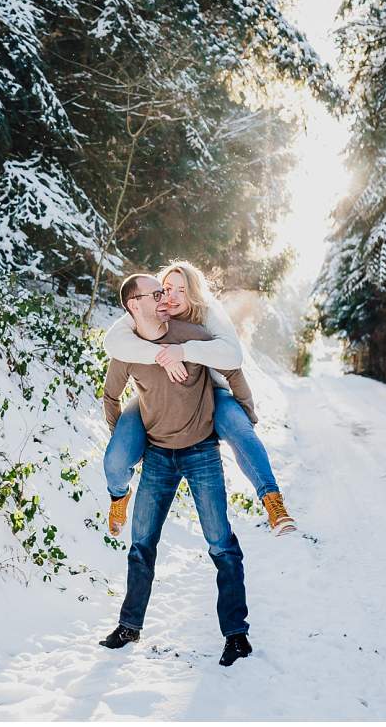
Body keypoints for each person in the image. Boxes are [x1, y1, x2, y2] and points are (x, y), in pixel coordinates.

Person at [97, 273, 253, 667]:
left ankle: (236, 635)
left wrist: (245, 412)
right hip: (158, 458)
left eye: (166, 290)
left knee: (222, 545)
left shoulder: (190, 333)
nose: (165, 296)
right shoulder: (128, 348)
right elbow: (110, 395)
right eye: (156, 293)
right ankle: (129, 626)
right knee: (141, 545)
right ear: (135, 305)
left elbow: (232, 368)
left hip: (201, 451)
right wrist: (126, 437)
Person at [103, 259, 296, 537]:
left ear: (194, 292)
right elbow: (113, 342)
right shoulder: (146, 308)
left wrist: (183, 352)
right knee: (117, 456)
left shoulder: (207, 315)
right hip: (154, 398)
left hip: (211, 392)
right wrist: (161, 356)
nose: (172, 297)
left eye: (182, 290)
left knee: (240, 429)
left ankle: (273, 503)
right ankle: (119, 496)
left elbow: (233, 360)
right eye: (167, 289)